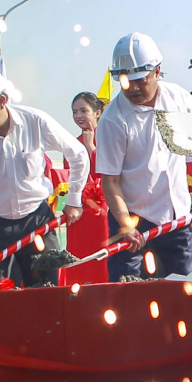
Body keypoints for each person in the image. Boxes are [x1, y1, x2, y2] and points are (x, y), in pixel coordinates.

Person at [0, 64, 90, 287]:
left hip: (37, 220)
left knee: (48, 295)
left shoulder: (35, 122)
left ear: (2, 100)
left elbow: (78, 154)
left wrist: (74, 200)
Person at [95, 32, 192, 280]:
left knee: (182, 286)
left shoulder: (178, 98)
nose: (133, 88)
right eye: (125, 82)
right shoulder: (113, 120)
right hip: (133, 216)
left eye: (140, 80)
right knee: (127, 289)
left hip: (176, 215)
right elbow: (110, 181)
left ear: (157, 71)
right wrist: (125, 224)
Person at [65, 91, 111, 275]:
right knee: (79, 257)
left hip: (102, 210)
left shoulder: (109, 138)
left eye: (83, 111)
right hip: (80, 212)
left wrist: (91, 146)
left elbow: (107, 172)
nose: (78, 116)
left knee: (101, 256)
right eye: (75, 112)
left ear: (97, 112)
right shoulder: (71, 144)